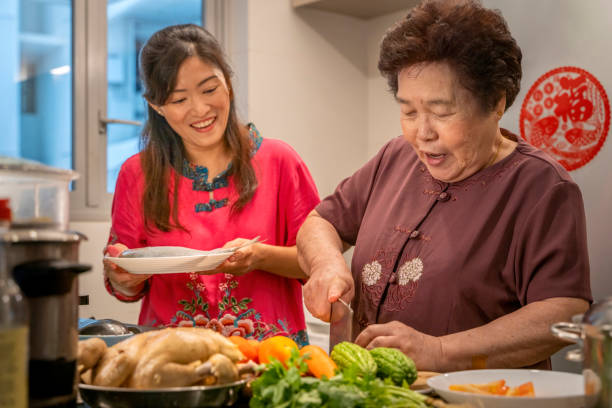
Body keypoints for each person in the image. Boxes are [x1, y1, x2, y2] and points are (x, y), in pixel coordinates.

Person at [296, 0, 591, 370]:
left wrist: (438, 351)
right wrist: (326, 265)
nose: (422, 133)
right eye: (408, 111)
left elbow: (561, 312)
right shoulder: (395, 156)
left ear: (496, 103)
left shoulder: (541, 187)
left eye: (442, 112)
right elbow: (321, 223)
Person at [103, 24, 319, 346]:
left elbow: (317, 260)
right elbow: (127, 288)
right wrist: (124, 277)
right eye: (179, 99)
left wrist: (260, 256)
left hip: (269, 358)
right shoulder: (137, 174)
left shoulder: (280, 161)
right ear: (157, 106)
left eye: (209, 89)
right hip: (171, 359)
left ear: (228, 84)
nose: (201, 109)